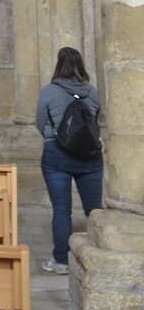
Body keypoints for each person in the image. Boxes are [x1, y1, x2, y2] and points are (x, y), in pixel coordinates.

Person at [35, 46, 102, 274]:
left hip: (57, 155)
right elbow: (96, 118)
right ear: (80, 65)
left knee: (62, 209)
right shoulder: (91, 91)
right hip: (90, 155)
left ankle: (61, 260)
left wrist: (52, 137)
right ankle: (100, 257)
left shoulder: (49, 91)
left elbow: (40, 121)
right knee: (94, 209)